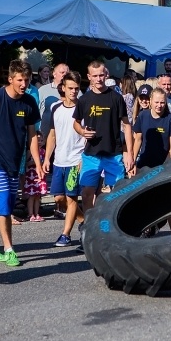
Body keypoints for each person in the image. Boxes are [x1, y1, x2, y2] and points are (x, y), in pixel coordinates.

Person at [0, 60, 42, 268]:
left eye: (27, 80)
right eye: (20, 80)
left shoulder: (29, 102)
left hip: (14, 162)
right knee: (3, 206)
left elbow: (31, 137)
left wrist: (37, 163)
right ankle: (9, 249)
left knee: (0, 205)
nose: (23, 84)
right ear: (10, 79)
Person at [72, 61, 134, 213]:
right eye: (95, 76)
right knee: (87, 194)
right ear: (89, 77)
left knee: (116, 195)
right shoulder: (84, 100)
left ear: (106, 74)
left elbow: (126, 125)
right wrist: (81, 131)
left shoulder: (116, 98)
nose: (99, 79)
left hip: (113, 153)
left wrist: (129, 153)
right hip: (91, 154)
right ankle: (88, 228)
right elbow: (76, 123)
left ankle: (112, 229)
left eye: (101, 75)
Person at [44, 73, 86, 247]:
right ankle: (84, 222)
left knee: (71, 198)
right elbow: (52, 135)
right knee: (58, 198)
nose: (74, 91)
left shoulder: (83, 108)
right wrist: (47, 158)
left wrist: (82, 160)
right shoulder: (55, 107)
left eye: (76, 88)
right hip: (58, 160)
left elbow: (87, 135)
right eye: (70, 88)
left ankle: (65, 234)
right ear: (63, 88)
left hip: (75, 160)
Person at [24, 134, 47, 222]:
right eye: (38, 141)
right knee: (31, 196)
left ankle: (37, 213)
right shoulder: (30, 152)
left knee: (38, 196)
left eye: (41, 141)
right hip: (31, 176)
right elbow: (26, 164)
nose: (40, 142)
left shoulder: (43, 151)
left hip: (40, 176)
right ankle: (30, 214)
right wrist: (33, 162)